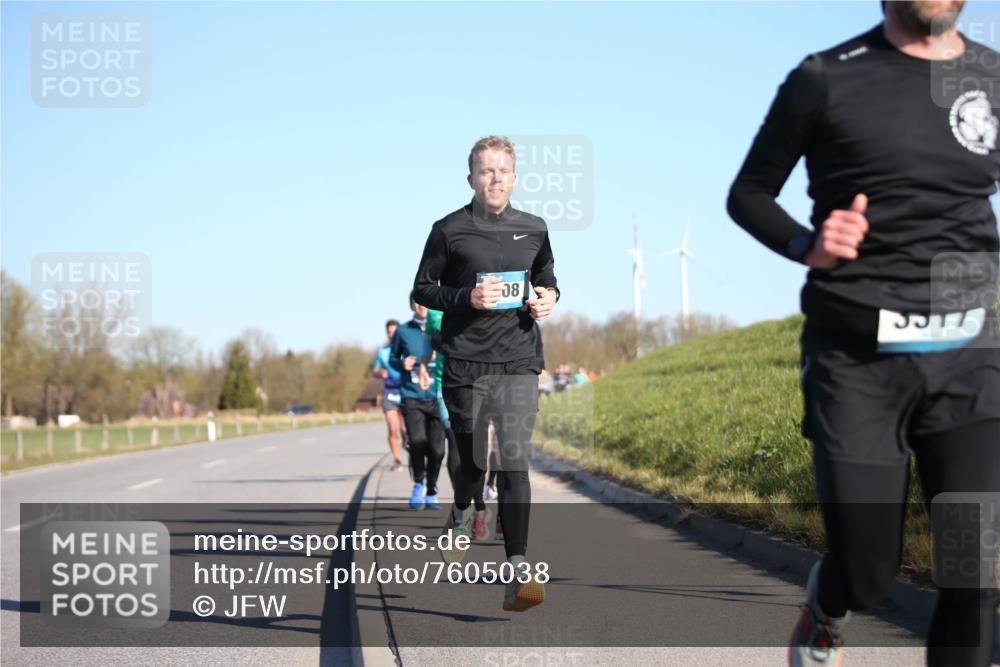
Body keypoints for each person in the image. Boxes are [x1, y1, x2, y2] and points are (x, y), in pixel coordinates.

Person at [727, 2, 1000, 665]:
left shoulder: (992, 78)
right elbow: (749, 193)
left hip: (969, 363)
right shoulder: (824, 77)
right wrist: (806, 242)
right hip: (857, 362)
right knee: (870, 571)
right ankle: (828, 603)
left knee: (976, 574)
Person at [412, 135, 560, 612]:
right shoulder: (448, 230)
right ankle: (461, 511)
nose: (494, 178)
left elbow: (548, 277)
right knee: (473, 464)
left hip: (519, 358)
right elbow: (423, 289)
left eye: (503, 170)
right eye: (485, 170)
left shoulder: (534, 227)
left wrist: (549, 299)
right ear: (471, 177)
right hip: (465, 363)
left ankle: (517, 570)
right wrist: (466, 299)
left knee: (514, 461)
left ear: (514, 178)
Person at [426, 307, 491, 539]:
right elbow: (429, 343)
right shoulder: (434, 312)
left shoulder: (483, 299)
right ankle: (462, 510)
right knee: (456, 443)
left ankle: (479, 506)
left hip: (482, 384)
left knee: (479, 456)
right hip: (450, 385)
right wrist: (424, 367)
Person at [390, 295, 446, 510]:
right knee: (418, 441)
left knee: (437, 449)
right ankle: (419, 483)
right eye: (417, 302)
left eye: (425, 302)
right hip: (412, 395)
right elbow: (393, 358)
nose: (421, 305)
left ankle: (432, 489)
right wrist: (402, 362)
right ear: (412, 305)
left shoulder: (443, 327)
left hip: (437, 393)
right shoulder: (403, 331)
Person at [372, 319, 405, 471]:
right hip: (390, 391)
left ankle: (411, 450)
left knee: (405, 430)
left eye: (395, 332)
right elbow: (375, 370)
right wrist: (380, 372)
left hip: (405, 390)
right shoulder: (383, 352)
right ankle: (397, 460)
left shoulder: (406, 348)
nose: (392, 335)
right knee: (392, 428)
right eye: (389, 332)